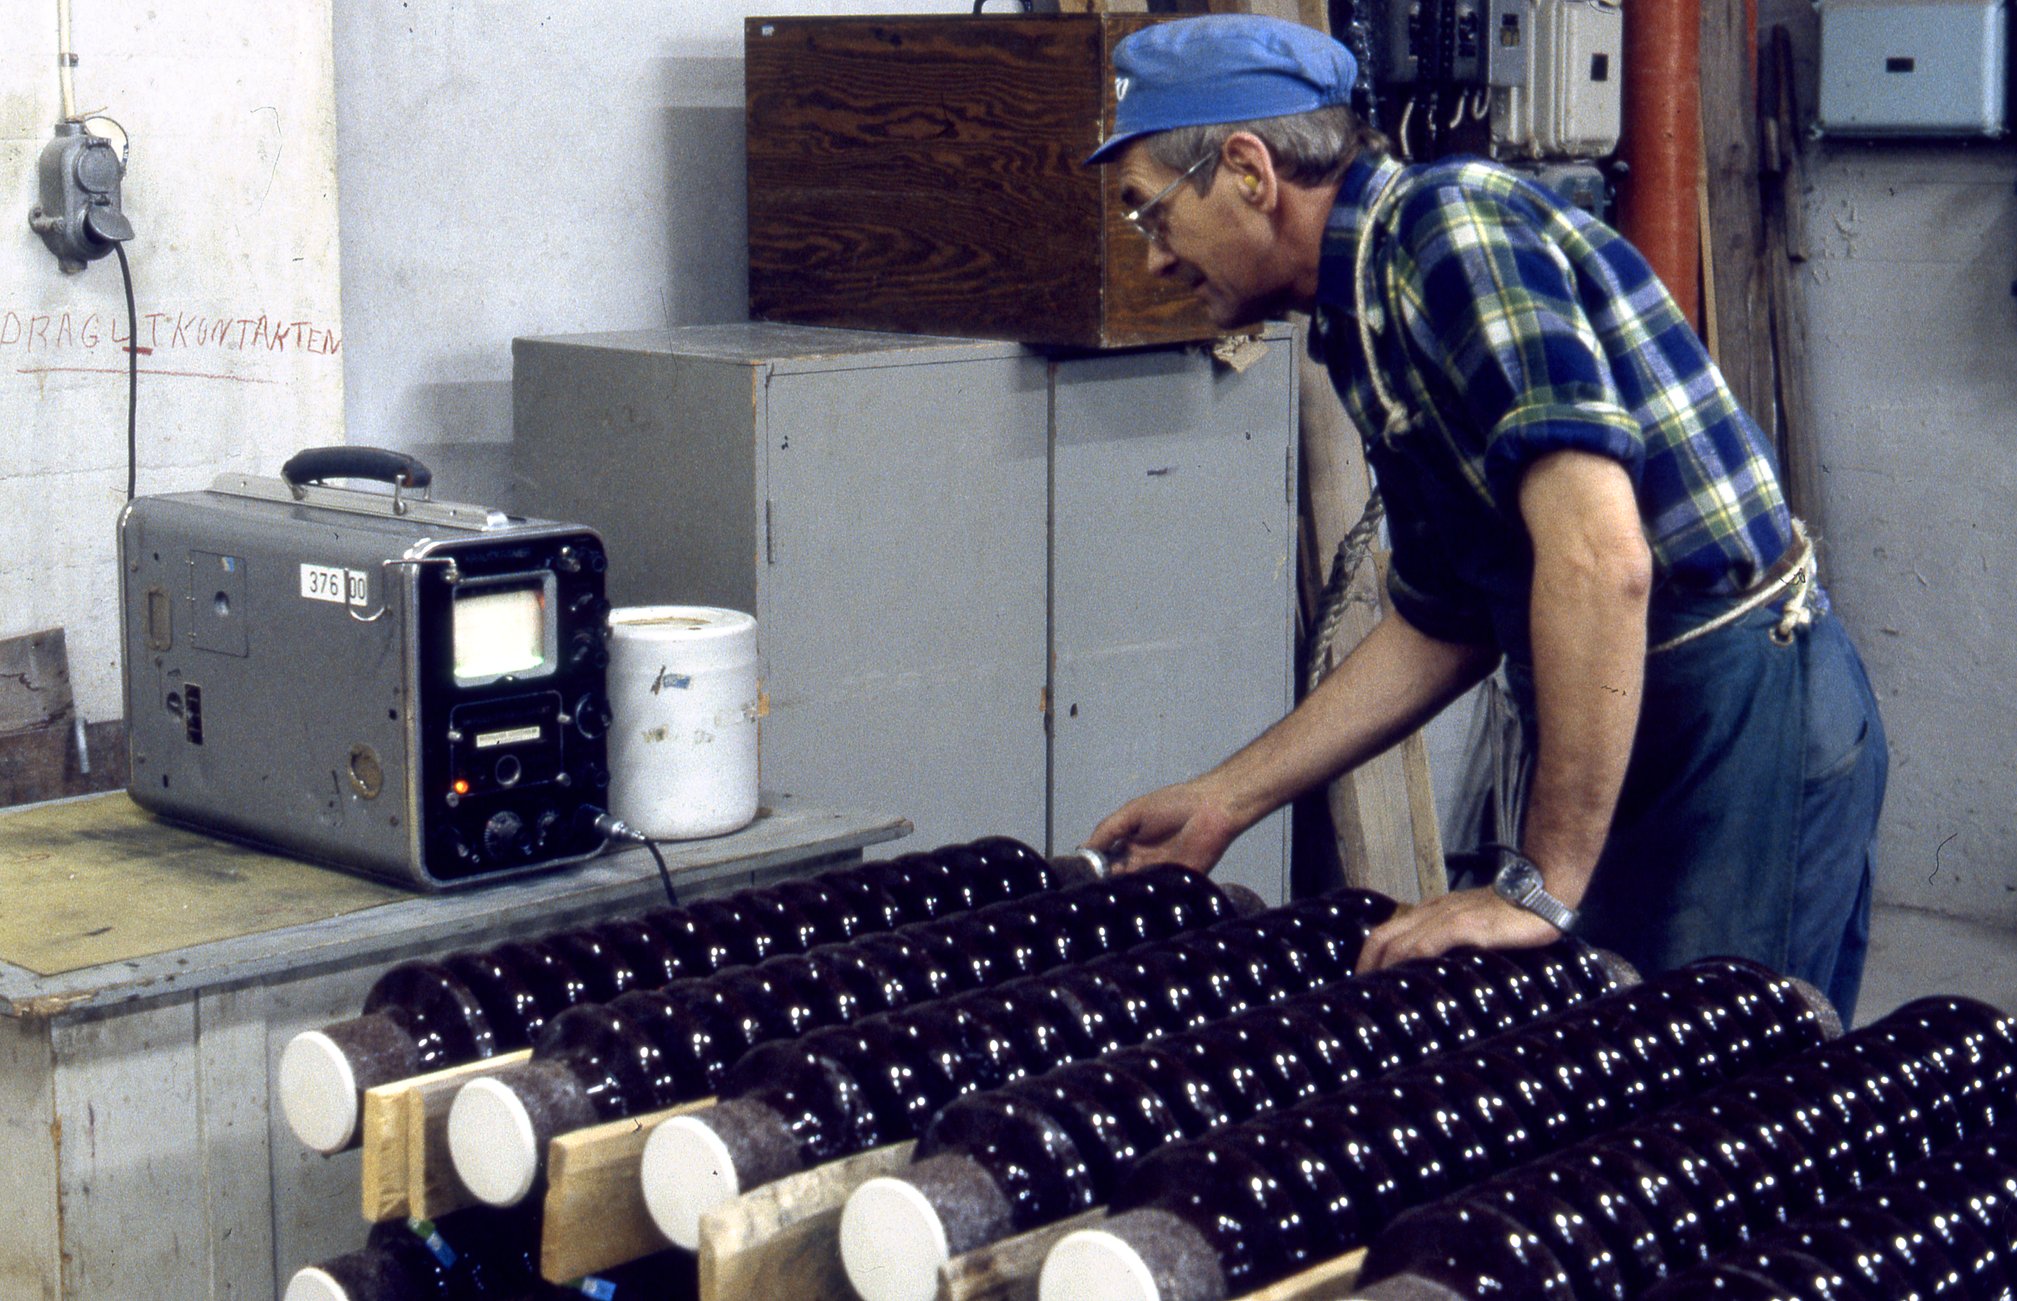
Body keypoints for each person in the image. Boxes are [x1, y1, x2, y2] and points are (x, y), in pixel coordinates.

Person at [1080, 15, 1887, 1020]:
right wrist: (1225, 797)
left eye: (1151, 214)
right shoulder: (1359, 307)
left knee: (1720, 1088)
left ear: (1247, 169)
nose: (1155, 259)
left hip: (1729, 700)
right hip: (1631, 692)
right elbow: (1445, 617)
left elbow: (1600, 562)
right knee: (1614, 1071)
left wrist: (1535, 882)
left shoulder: (1451, 231)